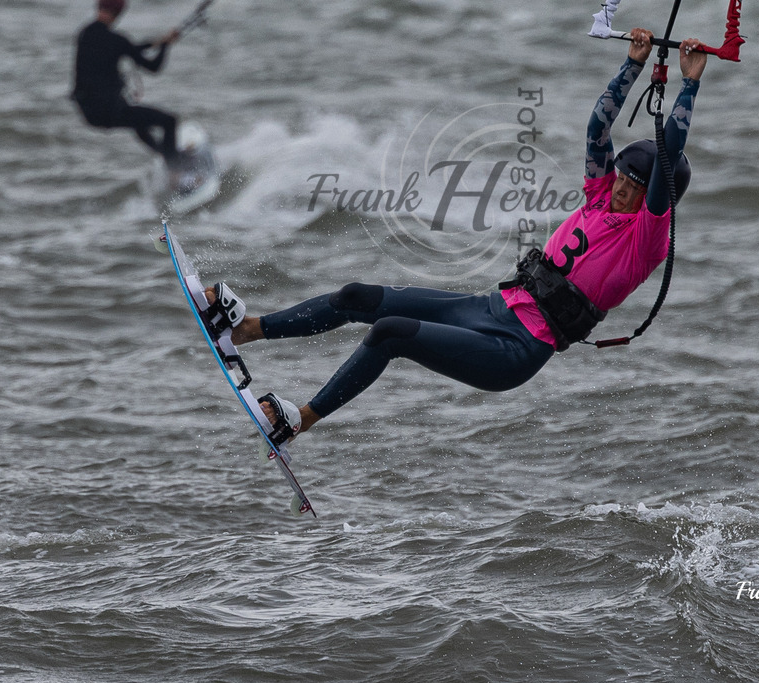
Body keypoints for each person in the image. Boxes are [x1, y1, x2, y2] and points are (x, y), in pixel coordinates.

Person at [202, 28, 708, 442]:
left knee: (389, 334)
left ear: (655, 197)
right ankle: (245, 329)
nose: (622, 186)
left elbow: (666, 164)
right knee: (357, 297)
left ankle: (298, 421)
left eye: (635, 185)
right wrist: (634, 65)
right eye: (621, 174)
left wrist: (688, 85)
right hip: (489, 307)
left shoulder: (647, 237)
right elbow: (598, 126)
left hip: (515, 350)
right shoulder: (601, 195)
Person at [71, 0, 181, 163]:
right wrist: (166, 46)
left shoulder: (84, 34)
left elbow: (127, 48)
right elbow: (153, 66)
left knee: (140, 124)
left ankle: (166, 156)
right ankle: (176, 172)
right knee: (170, 121)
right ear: (120, 11)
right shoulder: (117, 40)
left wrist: (158, 42)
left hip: (88, 112)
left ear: (99, 5)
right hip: (110, 111)